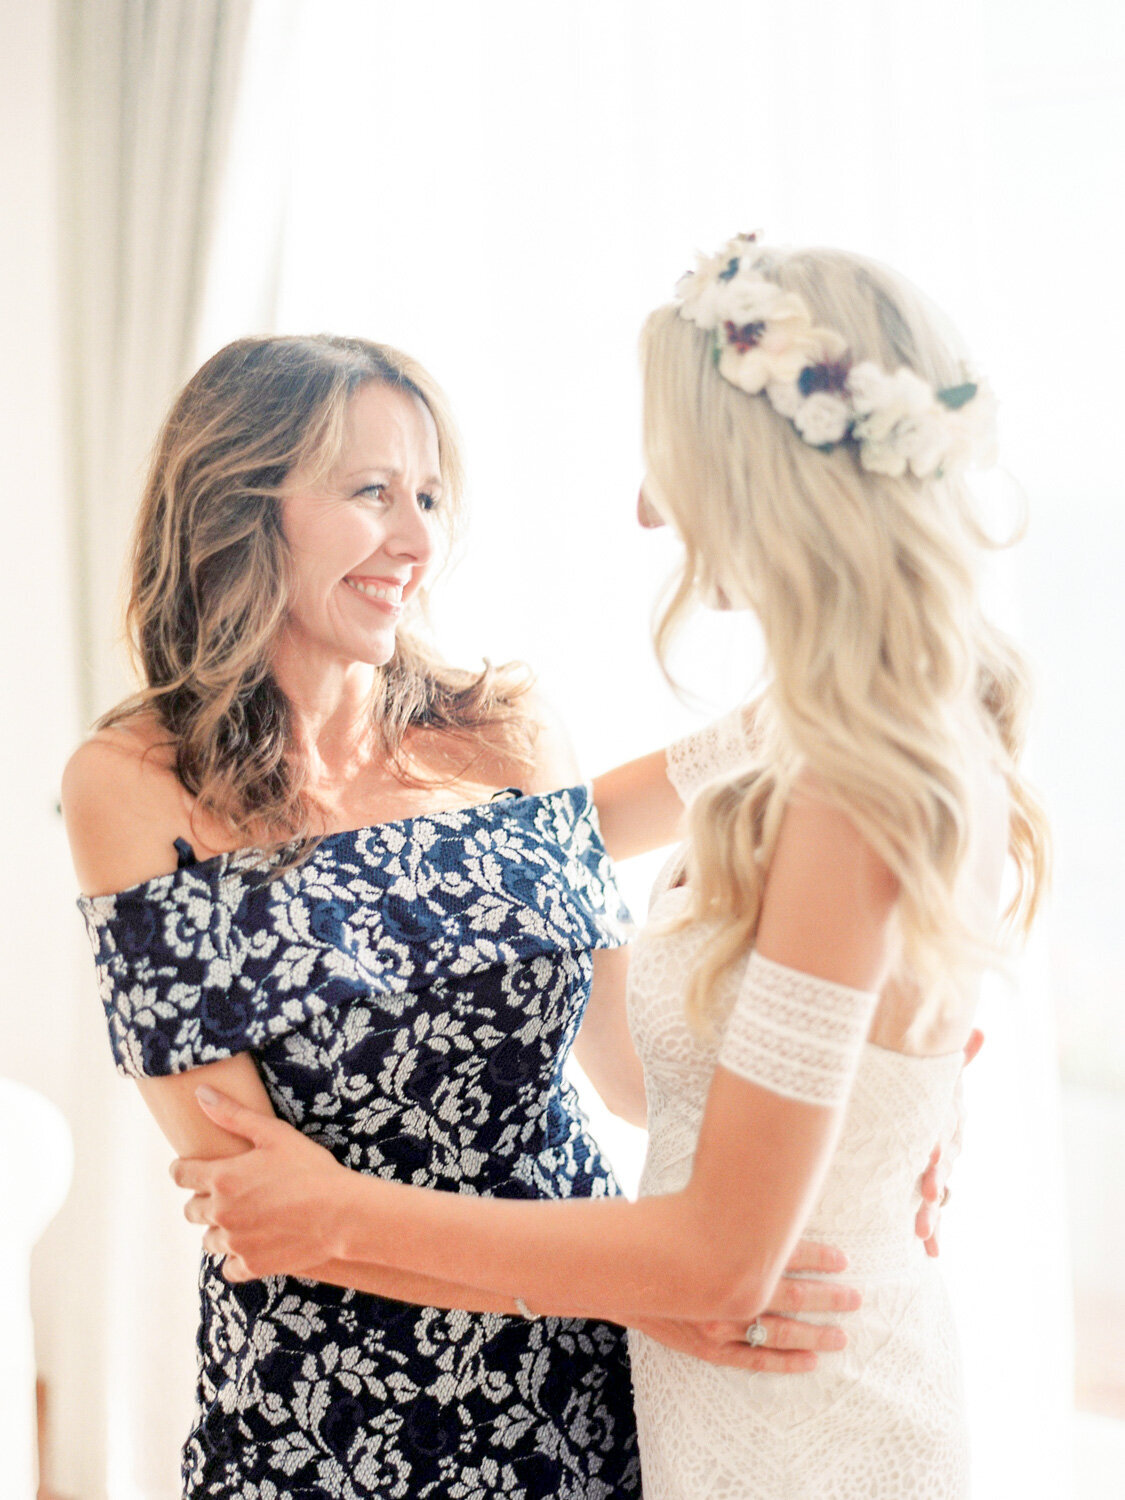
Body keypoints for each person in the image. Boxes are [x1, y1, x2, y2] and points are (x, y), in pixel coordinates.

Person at [174, 242, 1049, 1498]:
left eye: (671, 455)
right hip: (706, 1408)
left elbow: (718, 1267)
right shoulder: (811, 729)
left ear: (764, 474)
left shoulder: (851, 785)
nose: (649, 507)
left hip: (807, 1428)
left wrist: (329, 1211)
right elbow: (506, 857)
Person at [62, 332, 866, 1500]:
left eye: (430, 496)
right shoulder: (134, 782)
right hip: (323, 1419)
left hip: (588, 1392)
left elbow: (639, 1077)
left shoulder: (505, 731)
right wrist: (653, 1287)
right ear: (243, 502)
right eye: (372, 492)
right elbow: (263, 1211)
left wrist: (883, 1107)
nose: (420, 539)